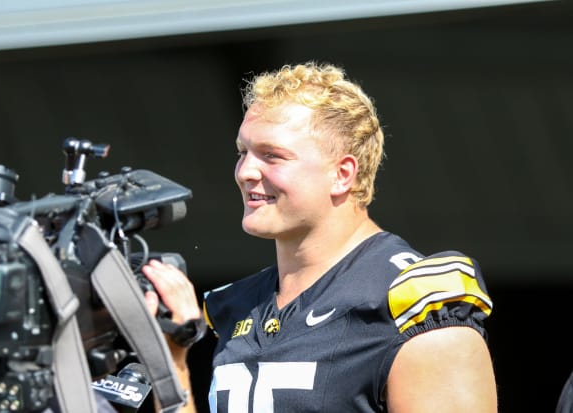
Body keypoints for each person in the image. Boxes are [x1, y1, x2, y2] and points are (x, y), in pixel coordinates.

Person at [142, 61, 498, 413]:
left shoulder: (412, 301)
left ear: (342, 174)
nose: (245, 172)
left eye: (272, 155)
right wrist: (171, 363)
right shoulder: (239, 306)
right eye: (242, 152)